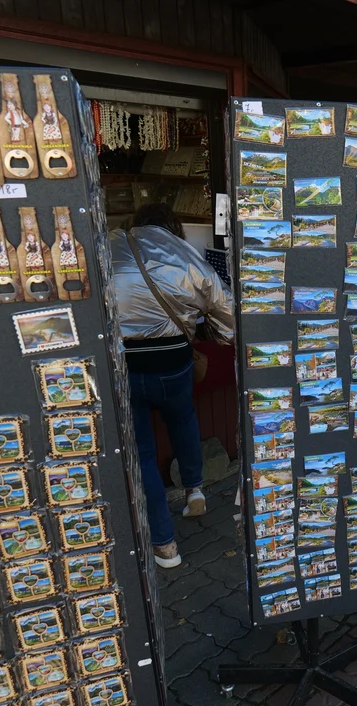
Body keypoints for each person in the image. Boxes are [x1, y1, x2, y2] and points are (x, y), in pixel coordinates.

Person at [111, 203, 234, 568]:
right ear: (171, 226)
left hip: (126, 366)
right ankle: (195, 491)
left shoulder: (108, 245)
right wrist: (215, 333)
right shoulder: (183, 253)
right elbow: (224, 310)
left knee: (142, 452)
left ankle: (165, 547)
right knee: (183, 419)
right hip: (174, 361)